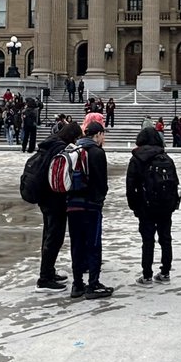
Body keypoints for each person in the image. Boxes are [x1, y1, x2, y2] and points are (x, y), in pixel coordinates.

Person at [126, 125, 178, 285]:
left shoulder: (137, 158)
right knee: (165, 238)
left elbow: (130, 185)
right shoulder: (166, 158)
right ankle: (165, 272)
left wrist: (134, 206)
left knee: (147, 240)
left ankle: (147, 274)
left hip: (145, 204)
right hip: (165, 204)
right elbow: (175, 182)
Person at [34, 121, 82, 291]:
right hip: (54, 198)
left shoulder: (51, 142)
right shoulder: (59, 148)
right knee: (54, 237)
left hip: (44, 197)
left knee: (48, 235)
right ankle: (45, 279)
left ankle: (48, 271)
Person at [68, 121, 113, 300]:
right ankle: (93, 283)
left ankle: (77, 283)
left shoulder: (73, 151)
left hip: (72, 204)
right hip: (91, 205)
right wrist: (99, 199)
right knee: (93, 244)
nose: (104, 138)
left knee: (76, 244)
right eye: (103, 135)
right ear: (98, 134)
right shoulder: (96, 152)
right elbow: (102, 182)